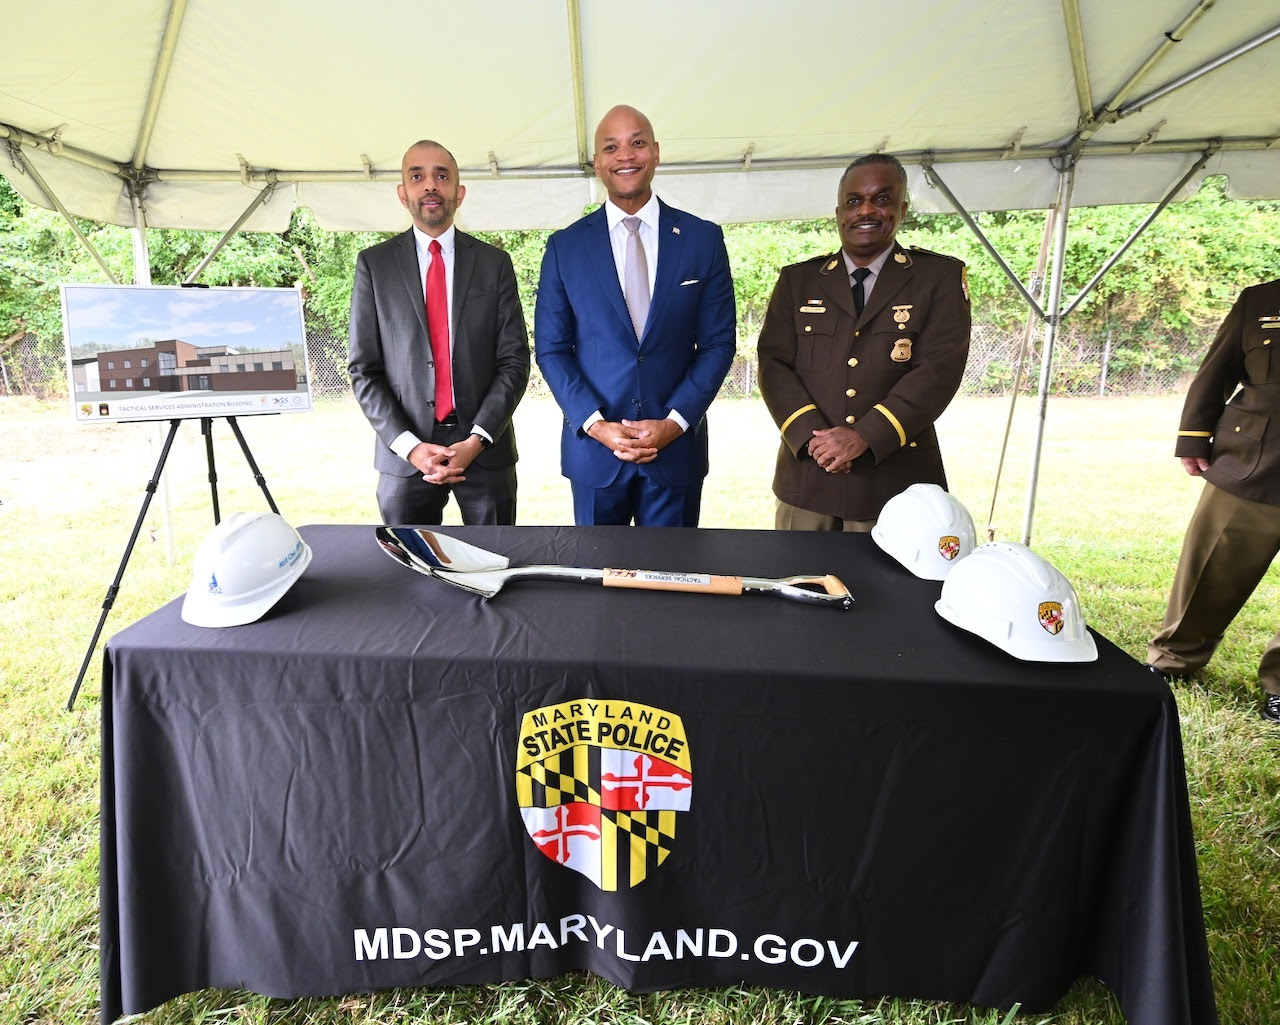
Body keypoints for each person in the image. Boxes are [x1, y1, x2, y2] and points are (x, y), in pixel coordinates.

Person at [534, 105, 736, 527]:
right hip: (595, 455)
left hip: (675, 451)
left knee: (671, 583)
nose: (625, 156)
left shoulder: (703, 239)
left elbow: (717, 344)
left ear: (656, 153)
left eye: (637, 143)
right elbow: (552, 349)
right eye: (611, 147)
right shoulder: (564, 247)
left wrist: (676, 421)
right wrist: (595, 425)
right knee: (596, 582)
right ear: (597, 163)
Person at [757, 154, 971, 531]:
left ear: (902, 209)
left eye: (882, 199)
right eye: (854, 201)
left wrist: (864, 436)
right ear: (839, 211)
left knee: (889, 590)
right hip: (808, 478)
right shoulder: (798, 281)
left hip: (894, 483)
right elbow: (773, 364)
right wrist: (812, 439)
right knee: (799, 584)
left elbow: (938, 371)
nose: (866, 210)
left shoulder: (938, 277)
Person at [349, 139, 530, 525]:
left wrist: (477, 439)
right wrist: (411, 448)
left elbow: (514, 361)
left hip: (484, 452)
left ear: (459, 193)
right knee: (409, 573)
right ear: (403, 194)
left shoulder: (494, 263)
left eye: (442, 176)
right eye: (417, 176)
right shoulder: (374, 266)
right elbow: (364, 370)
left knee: (492, 572)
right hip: (405, 458)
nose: (430, 185)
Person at [1148, 278, 1280, 724]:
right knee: (1209, 572)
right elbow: (1217, 369)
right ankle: (1174, 660)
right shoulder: (1261, 299)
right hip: (1252, 459)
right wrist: (1193, 437)